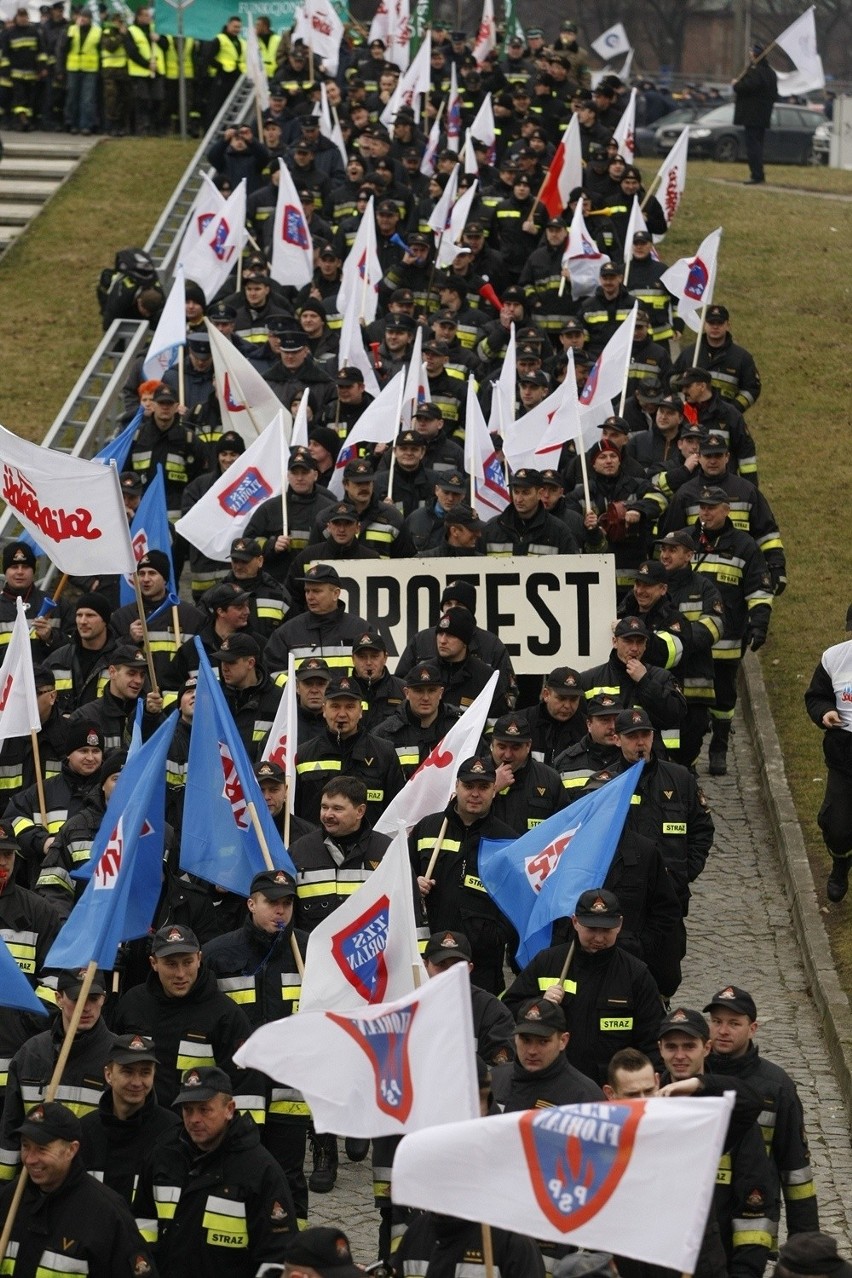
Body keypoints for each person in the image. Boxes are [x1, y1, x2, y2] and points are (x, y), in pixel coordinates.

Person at [203, 869, 310, 1226]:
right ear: (251, 904)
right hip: (239, 1084)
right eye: (271, 903)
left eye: (287, 904)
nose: (280, 911)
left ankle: (292, 1247)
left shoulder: (310, 951)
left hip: (290, 1084)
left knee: (289, 1173)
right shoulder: (218, 953)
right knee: (235, 1170)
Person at [134, 1065, 296, 1275]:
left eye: (204, 1110)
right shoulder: (162, 1156)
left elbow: (276, 1257)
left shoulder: (260, 1170)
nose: (194, 1120)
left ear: (229, 1109)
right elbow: (141, 1223)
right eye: (187, 1110)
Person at [503, 888, 663, 1085]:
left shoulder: (636, 976)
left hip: (611, 1089)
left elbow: (654, 1042)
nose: (598, 938)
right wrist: (538, 1005)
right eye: (591, 929)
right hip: (553, 1084)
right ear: (575, 922)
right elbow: (507, 1010)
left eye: (606, 930)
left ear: (619, 924)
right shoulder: (548, 963)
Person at [703, 984, 818, 1235]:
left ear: (752, 1029)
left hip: (752, 1219)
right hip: (697, 1221)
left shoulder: (776, 1087)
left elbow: (796, 1170)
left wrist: (805, 1241)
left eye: (734, 1023)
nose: (722, 1031)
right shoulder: (691, 1077)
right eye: (716, 1021)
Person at [0, 1101, 157, 1278]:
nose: (30, 1159)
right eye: (25, 1146)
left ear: (71, 1150)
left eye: (42, 1149)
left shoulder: (106, 1213)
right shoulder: (10, 1199)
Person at [111, 922, 255, 1108]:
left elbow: (245, 1089)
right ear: (153, 963)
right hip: (139, 1130)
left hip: (198, 1131)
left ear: (199, 959)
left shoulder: (227, 1015)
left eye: (187, 962)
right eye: (171, 964)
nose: (180, 974)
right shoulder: (131, 1005)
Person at [410, 756, 517, 994]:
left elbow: (515, 903)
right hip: (429, 959)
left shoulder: (507, 840)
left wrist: (494, 937)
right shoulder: (428, 828)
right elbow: (400, 877)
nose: (475, 794)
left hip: (481, 964)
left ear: (494, 789)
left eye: (483, 787)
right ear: (457, 786)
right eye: (468, 786)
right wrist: (413, 883)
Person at [0, 968, 116, 1182]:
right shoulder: (31, 1054)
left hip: (91, 1185)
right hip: (35, 1185)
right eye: (76, 998)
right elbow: (10, 1129)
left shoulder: (117, 1058)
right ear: (58, 998)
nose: (85, 1007)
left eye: (93, 998)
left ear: (103, 999)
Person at [691, 486, 774, 775]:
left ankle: (719, 747)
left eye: (712, 507)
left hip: (728, 640)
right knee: (693, 699)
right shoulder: (688, 540)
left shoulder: (744, 545)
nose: (705, 512)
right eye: (702, 507)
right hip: (692, 642)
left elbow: (759, 590)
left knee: (724, 699)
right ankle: (690, 752)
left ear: (727, 510)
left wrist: (759, 624)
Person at [79, 1033, 180, 1207]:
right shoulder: (84, 1130)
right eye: (128, 1071)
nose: (137, 1082)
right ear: (108, 1074)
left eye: (145, 1073)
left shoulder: (172, 1131)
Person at [292, 680, 404, 828]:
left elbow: (396, 810)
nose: (342, 714)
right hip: (317, 846)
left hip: (370, 846)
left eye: (350, 707)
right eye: (335, 706)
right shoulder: (304, 754)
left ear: (361, 710)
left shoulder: (384, 753)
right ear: (324, 709)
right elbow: (294, 813)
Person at [578, 615, 687, 758]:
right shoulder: (589, 679)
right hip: (600, 760)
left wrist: (645, 681)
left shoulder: (662, 677)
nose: (634, 648)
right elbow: (578, 725)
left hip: (649, 759)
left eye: (640, 642)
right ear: (615, 642)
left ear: (646, 645)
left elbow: (675, 714)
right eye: (628, 641)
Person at [805, 603, 852, 901]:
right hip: (844, 757)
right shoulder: (834, 658)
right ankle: (840, 863)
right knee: (837, 826)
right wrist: (825, 713)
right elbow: (816, 697)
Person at [490, 998, 603, 1111]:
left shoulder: (585, 1096)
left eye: (543, 1042)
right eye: (526, 1040)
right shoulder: (494, 1079)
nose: (532, 1051)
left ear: (563, 1041)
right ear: (515, 1038)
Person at [264, 564, 372, 680]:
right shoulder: (286, 633)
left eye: (316, 591)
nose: (310, 597)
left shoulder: (361, 630)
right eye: (307, 591)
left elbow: (372, 670)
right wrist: (296, 690)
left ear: (336, 594)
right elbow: (273, 673)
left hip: (349, 698)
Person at [488, 713, 567, 835]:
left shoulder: (549, 779)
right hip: (486, 851)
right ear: (492, 744)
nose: (508, 755)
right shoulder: (475, 773)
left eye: (515, 748)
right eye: (502, 747)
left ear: (528, 746)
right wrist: (492, 788)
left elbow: (564, 828)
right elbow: (462, 817)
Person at [519, 667, 587, 767]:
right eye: (561, 698)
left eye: (573, 699)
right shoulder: (522, 722)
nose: (567, 706)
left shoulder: (587, 728)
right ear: (546, 695)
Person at [733, 43, 777, 185]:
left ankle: (756, 175)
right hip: (763, 115)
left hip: (752, 115)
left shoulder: (756, 72)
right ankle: (759, 174)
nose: (750, 54)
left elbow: (746, 87)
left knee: (753, 147)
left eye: (751, 52)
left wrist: (736, 84)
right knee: (758, 145)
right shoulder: (771, 73)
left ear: (755, 54)